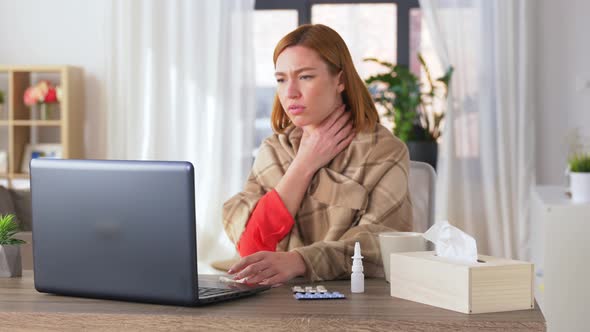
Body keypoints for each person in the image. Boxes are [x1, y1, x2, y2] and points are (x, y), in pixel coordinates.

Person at [222, 24, 412, 285]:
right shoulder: (273, 151)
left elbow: (381, 245)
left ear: (341, 81)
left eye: (306, 77)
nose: (290, 92)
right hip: (275, 300)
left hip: (354, 301)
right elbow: (251, 248)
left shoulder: (384, 152)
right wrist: (303, 165)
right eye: (281, 79)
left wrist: (301, 261)